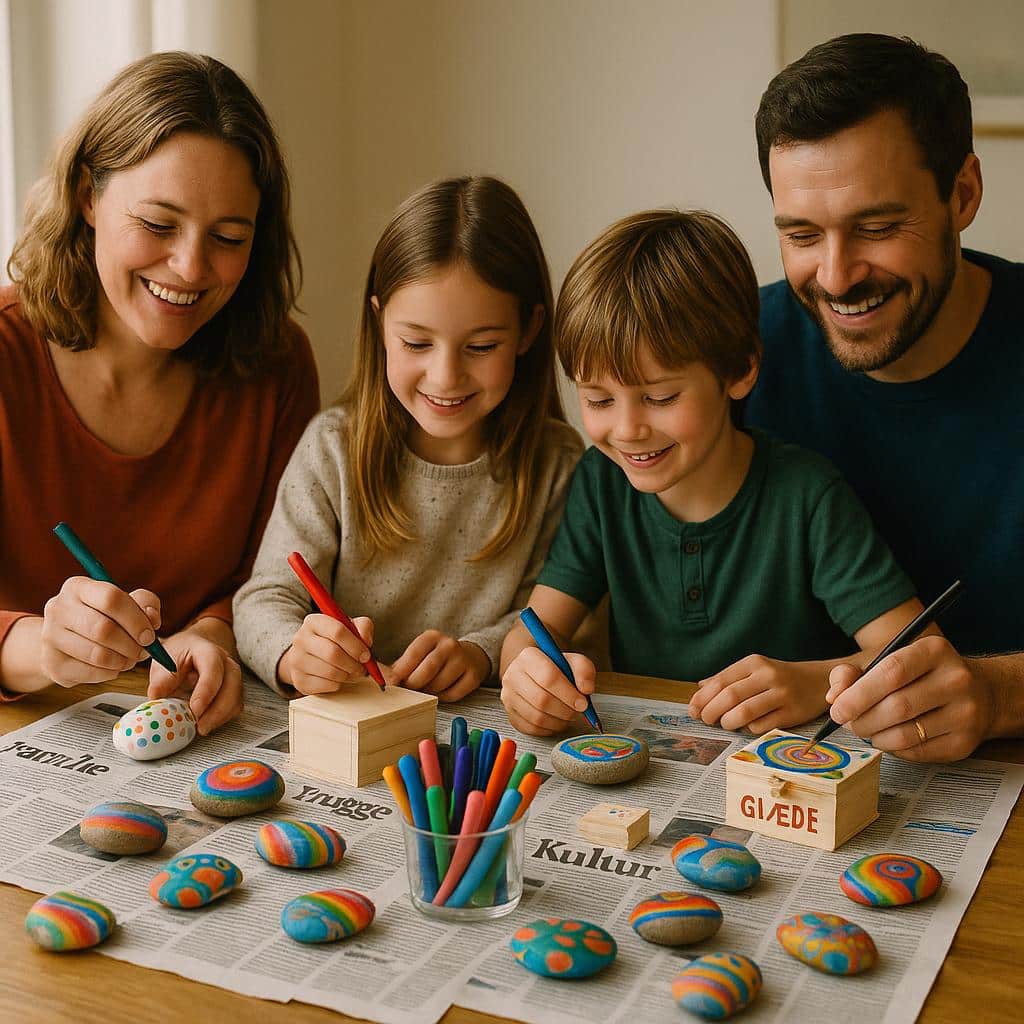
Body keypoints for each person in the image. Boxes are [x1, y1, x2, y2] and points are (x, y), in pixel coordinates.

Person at [499, 209, 924, 737]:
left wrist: (815, 684)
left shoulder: (807, 495)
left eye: (660, 397)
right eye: (599, 398)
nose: (627, 430)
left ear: (741, 370)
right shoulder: (601, 483)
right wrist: (525, 677)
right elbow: (533, 631)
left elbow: (916, 651)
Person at [0, 52, 320, 733]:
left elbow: (277, 573)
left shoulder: (277, 364)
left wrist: (214, 632)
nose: (191, 268)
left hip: (202, 737)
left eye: (229, 236)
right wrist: (35, 647)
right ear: (87, 194)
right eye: (157, 224)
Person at [748, 33, 1024, 762]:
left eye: (876, 226)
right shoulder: (732, 356)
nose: (836, 277)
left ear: (962, 194)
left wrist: (997, 694)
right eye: (803, 234)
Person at [233, 176, 583, 702]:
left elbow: (552, 615)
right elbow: (264, 599)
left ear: (529, 331)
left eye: (482, 346)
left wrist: (478, 653)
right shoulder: (333, 449)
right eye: (416, 342)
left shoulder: (557, 463)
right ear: (379, 324)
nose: (445, 377)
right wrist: (293, 651)